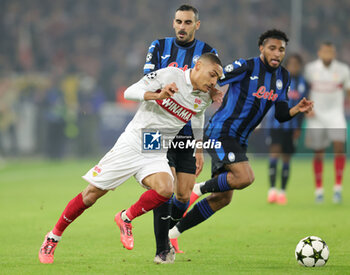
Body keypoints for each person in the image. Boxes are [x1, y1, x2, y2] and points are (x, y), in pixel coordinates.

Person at [38, 53, 223, 264]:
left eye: (217, 77)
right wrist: (157, 95)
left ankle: (126, 217)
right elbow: (129, 92)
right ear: (198, 66)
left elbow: (197, 116)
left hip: (155, 147)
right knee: (91, 195)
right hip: (134, 141)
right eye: (212, 74)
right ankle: (53, 236)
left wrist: (198, 149)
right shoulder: (170, 74)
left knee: (165, 189)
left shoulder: (206, 96)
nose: (214, 81)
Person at [168, 29, 314, 247]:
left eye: (281, 49)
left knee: (223, 199)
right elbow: (212, 77)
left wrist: (296, 110)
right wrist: (213, 90)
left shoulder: (283, 76)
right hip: (221, 131)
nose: (277, 53)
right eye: (272, 48)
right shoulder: (246, 66)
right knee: (245, 177)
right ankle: (198, 189)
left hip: (239, 140)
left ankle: (172, 234)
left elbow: (282, 114)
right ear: (262, 48)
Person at [143, 4, 219, 255]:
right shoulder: (158, 46)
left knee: (184, 195)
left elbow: (203, 99)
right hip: (159, 128)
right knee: (164, 188)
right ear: (173, 23)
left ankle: (169, 236)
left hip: (187, 129)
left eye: (187, 23)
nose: (182, 27)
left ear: (197, 25)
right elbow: (150, 84)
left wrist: (199, 147)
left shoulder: (208, 53)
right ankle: (161, 249)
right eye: (178, 22)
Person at [304, 42, 350, 203]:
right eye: (325, 51)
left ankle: (337, 188)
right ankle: (319, 190)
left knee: (339, 148)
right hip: (316, 115)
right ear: (319, 52)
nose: (328, 54)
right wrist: (307, 107)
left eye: (330, 51)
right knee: (319, 152)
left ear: (334, 53)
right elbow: (304, 89)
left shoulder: (343, 70)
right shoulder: (310, 69)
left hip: (336, 115)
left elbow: (348, 91)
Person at [266, 54, 308, 204]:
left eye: (296, 64)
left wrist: (299, 127)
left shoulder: (303, 83)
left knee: (286, 158)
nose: (293, 67)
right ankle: (271, 191)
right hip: (275, 124)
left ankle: (282, 192)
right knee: (274, 153)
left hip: (292, 127)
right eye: (291, 64)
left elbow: (304, 107)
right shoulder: (276, 79)